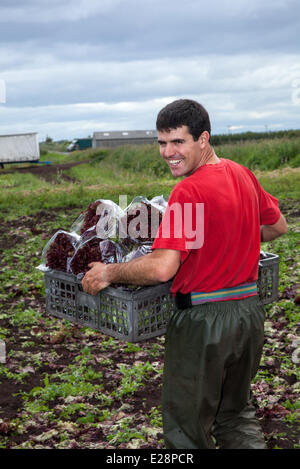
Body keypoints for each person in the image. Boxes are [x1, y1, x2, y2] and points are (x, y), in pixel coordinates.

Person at [82, 99, 287, 449]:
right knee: (235, 415)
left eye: (178, 142)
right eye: (162, 142)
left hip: (204, 323)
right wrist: (228, 235)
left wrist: (110, 272)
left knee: (186, 431)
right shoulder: (241, 174)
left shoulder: (189, 191)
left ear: (203, 139)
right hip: (248, 314)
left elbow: (163, 267)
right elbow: (276, 226)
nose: (168, 152)